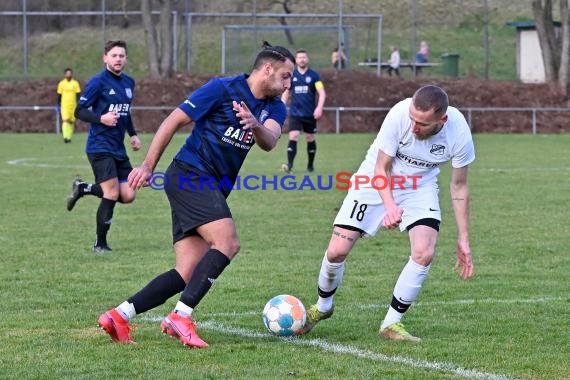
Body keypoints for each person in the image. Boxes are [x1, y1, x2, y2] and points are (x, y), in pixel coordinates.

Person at [97, 43, 295, 347]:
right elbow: (173, 121)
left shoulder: (274, 106)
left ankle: (119, 315)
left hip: (209, 185)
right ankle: (181, 316)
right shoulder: (222, 89)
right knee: (228, 242)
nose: (287, 84)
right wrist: (148, 165)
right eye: (285, 76)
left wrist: (255, 125)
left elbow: (269, 141)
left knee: (187, 272)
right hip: (190, 174)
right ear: (267, 69)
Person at [299, 85, 475, 342]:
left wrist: (464, 237)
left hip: (420, 186)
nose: (414, 127)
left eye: (422, 124)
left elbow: (459, 186)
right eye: (412, 119)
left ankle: (391, 323)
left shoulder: (459, 133)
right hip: (375, 180)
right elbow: (382, 168)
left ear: (442, 120)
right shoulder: (398, 114)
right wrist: (390, 206)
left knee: (424, 253)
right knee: (337, 251)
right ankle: (323, 307)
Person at [66, 40, 141, 253]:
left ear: (125, 59)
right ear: (105, 58)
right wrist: (101, 118)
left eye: (121, 56)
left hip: (118, 148)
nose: (118, 59)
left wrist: (133, 135)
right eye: (114, 55)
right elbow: (79, 111)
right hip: (99, 147)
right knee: (111, 192)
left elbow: (124, 112)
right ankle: (100, 243)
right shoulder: (98, 82)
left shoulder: (129, 82)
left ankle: (84, 188)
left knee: (128, 195)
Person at [281, 49, 326, 173]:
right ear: (296, 60)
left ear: (307, 59)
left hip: (310, 113)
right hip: (295, 113)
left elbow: (321, 93)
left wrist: (319, 108)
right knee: (293, 136)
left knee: (310, 137)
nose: (302, 59)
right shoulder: (292, 75)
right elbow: (286, 92)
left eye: (304, 57)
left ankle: (310, 165)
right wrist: (282, 106)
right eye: (300, 57)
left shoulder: (314, 75)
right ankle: (289, 166)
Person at [56, 68, 81, 143]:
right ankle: (65, 137)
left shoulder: (75, 83)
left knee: (71, 122)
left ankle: (69, 137)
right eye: (67, 73)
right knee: (65, 120)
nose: (68, 75)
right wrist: (57, 104)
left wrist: (79, 105)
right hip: (64, 106)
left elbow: (78, 95)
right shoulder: (61, 83)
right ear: (65, 75)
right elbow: (59, 95)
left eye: (70, 73)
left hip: (73, 106)